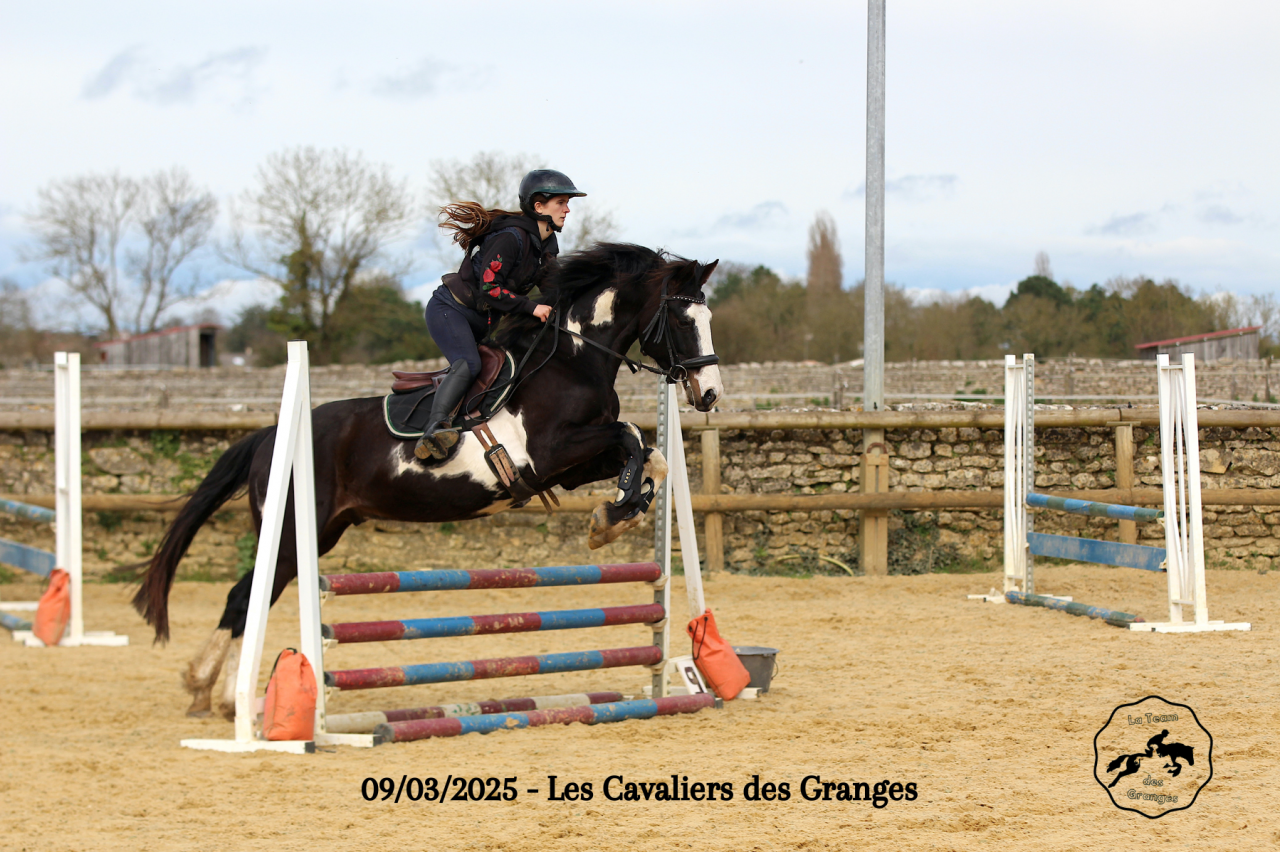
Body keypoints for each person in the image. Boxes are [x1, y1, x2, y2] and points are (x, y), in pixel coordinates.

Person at [415, 169, 586, 460]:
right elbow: (489, 289)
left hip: (484, 321)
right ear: (538, 206)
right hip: (450, 311)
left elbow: (554, 292)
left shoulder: (546, 246)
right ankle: (434, 429)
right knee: (469, 364)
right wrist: (531, 307)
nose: (567, 209)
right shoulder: (511, 238)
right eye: (561, 202)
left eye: (568, 202)